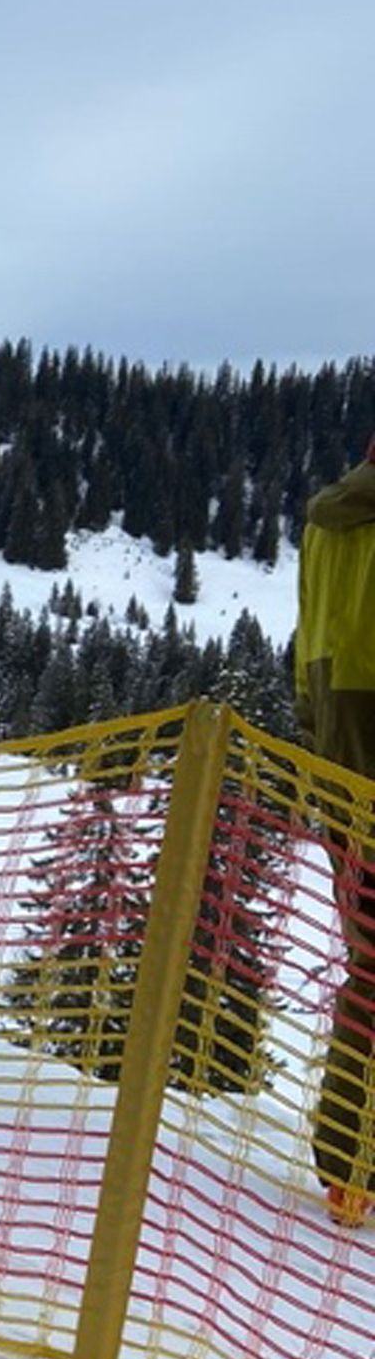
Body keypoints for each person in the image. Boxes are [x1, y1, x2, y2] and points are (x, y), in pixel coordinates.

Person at [295, 443, 375, 1226]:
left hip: (342, 781)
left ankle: (347, 1163)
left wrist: (317, 759)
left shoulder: (325, 524)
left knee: (370, 969)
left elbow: (302, 660)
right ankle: (354, 1164)